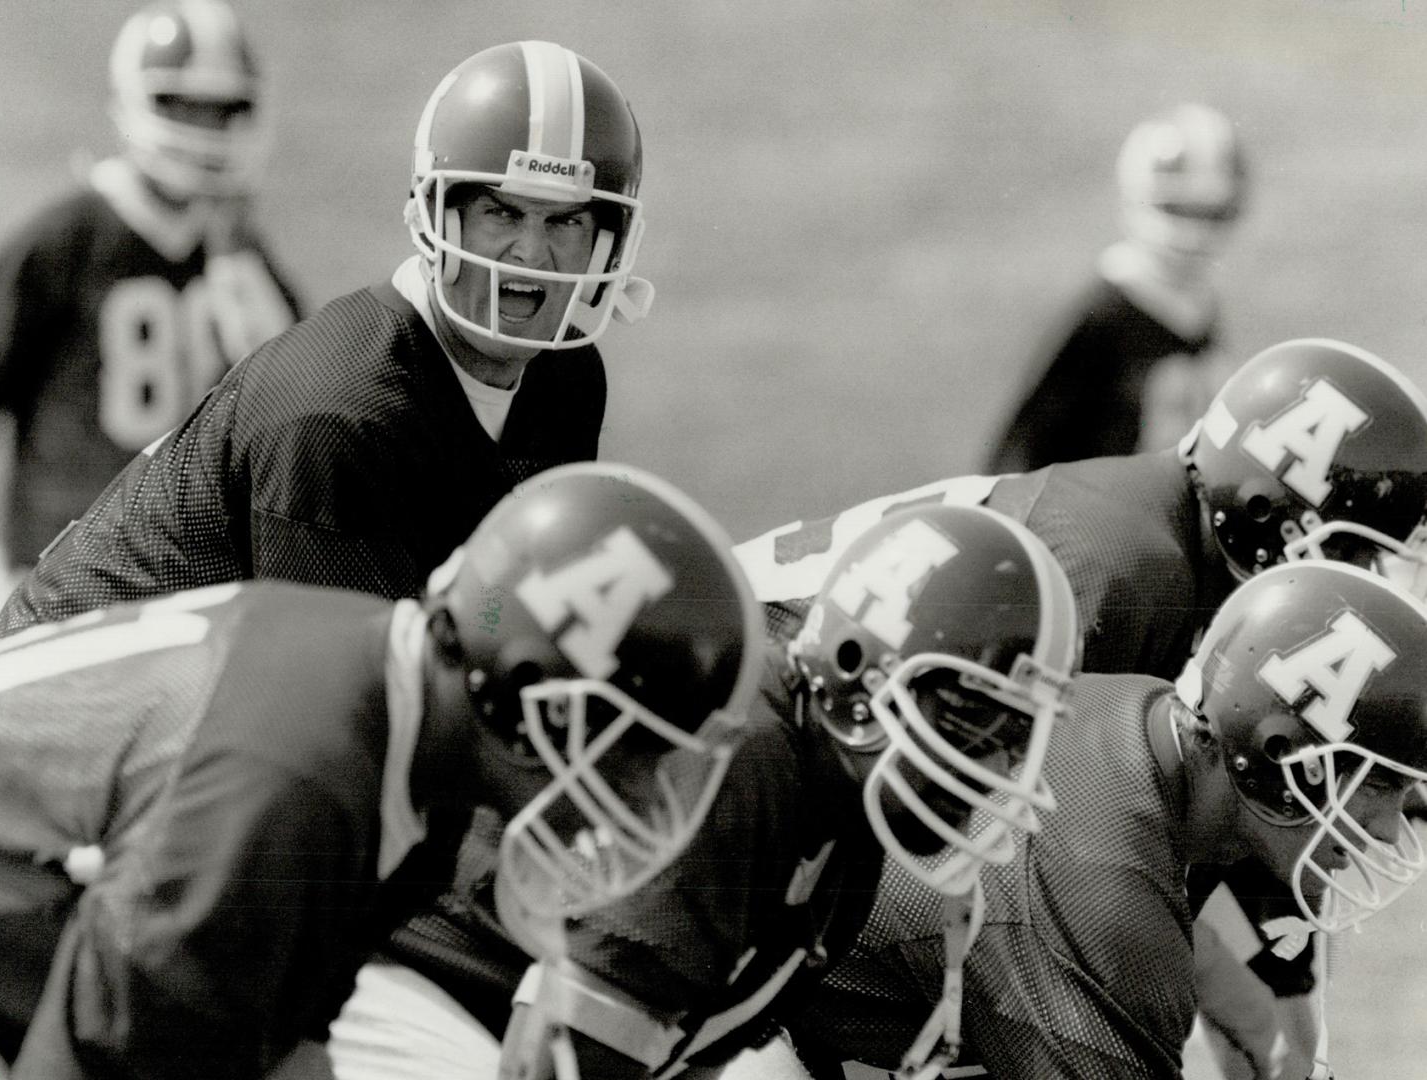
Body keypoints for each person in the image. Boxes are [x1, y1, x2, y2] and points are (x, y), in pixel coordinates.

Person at [0, 463, 763, 1079]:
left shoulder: (405, 742)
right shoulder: (292, 777)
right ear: (527, 693)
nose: (642, 789)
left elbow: (288, 1046)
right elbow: (96, 1061)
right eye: (635, 747)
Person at [735, 336, 1427, 1079]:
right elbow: (1066, 867)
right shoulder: (1123, 578)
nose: (1372, 578)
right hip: (739, 766)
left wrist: (1287, 1017)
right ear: (1272, 513)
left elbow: (1208, 821)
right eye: (1358, 551)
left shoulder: (1160, 564)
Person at [330, 503, 1082, 1080]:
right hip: (415, 983)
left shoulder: (840, 807)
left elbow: (695, 1037)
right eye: (970, 722)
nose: (991, 766)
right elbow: (554, 1053)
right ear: (860, 667)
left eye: (1011, 738)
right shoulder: (743, 765)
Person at [0, 38, 655, 642]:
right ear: (435, 215)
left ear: (605, 240)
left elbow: (507, 619)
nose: (530, 253)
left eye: (564, 222)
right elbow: (339, 714)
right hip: (66, 698)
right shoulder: (336, 414)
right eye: (500, 212)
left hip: (214, 699)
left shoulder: (565, 380)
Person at [782, 559, 1427, 1079]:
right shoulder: (1107, 899)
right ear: (1281, 754)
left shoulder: (1148, 726)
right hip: (741, 1028)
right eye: (1384, 784)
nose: (1390, 829)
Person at [0, 0, 302, 654]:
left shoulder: (236, 250)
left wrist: (235, 262)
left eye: (222, 111)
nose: (205, 129)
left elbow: (296, 392)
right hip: (63, 569)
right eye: (185, 107)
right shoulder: (65, 243)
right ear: (139, 103)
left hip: (190, 570)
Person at [987, 102, 1246, 474]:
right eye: (1180, 210)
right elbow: (1022, 455)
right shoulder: (1100, 318)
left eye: (1211, 214)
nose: (1196, 234)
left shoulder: (1200, 304)